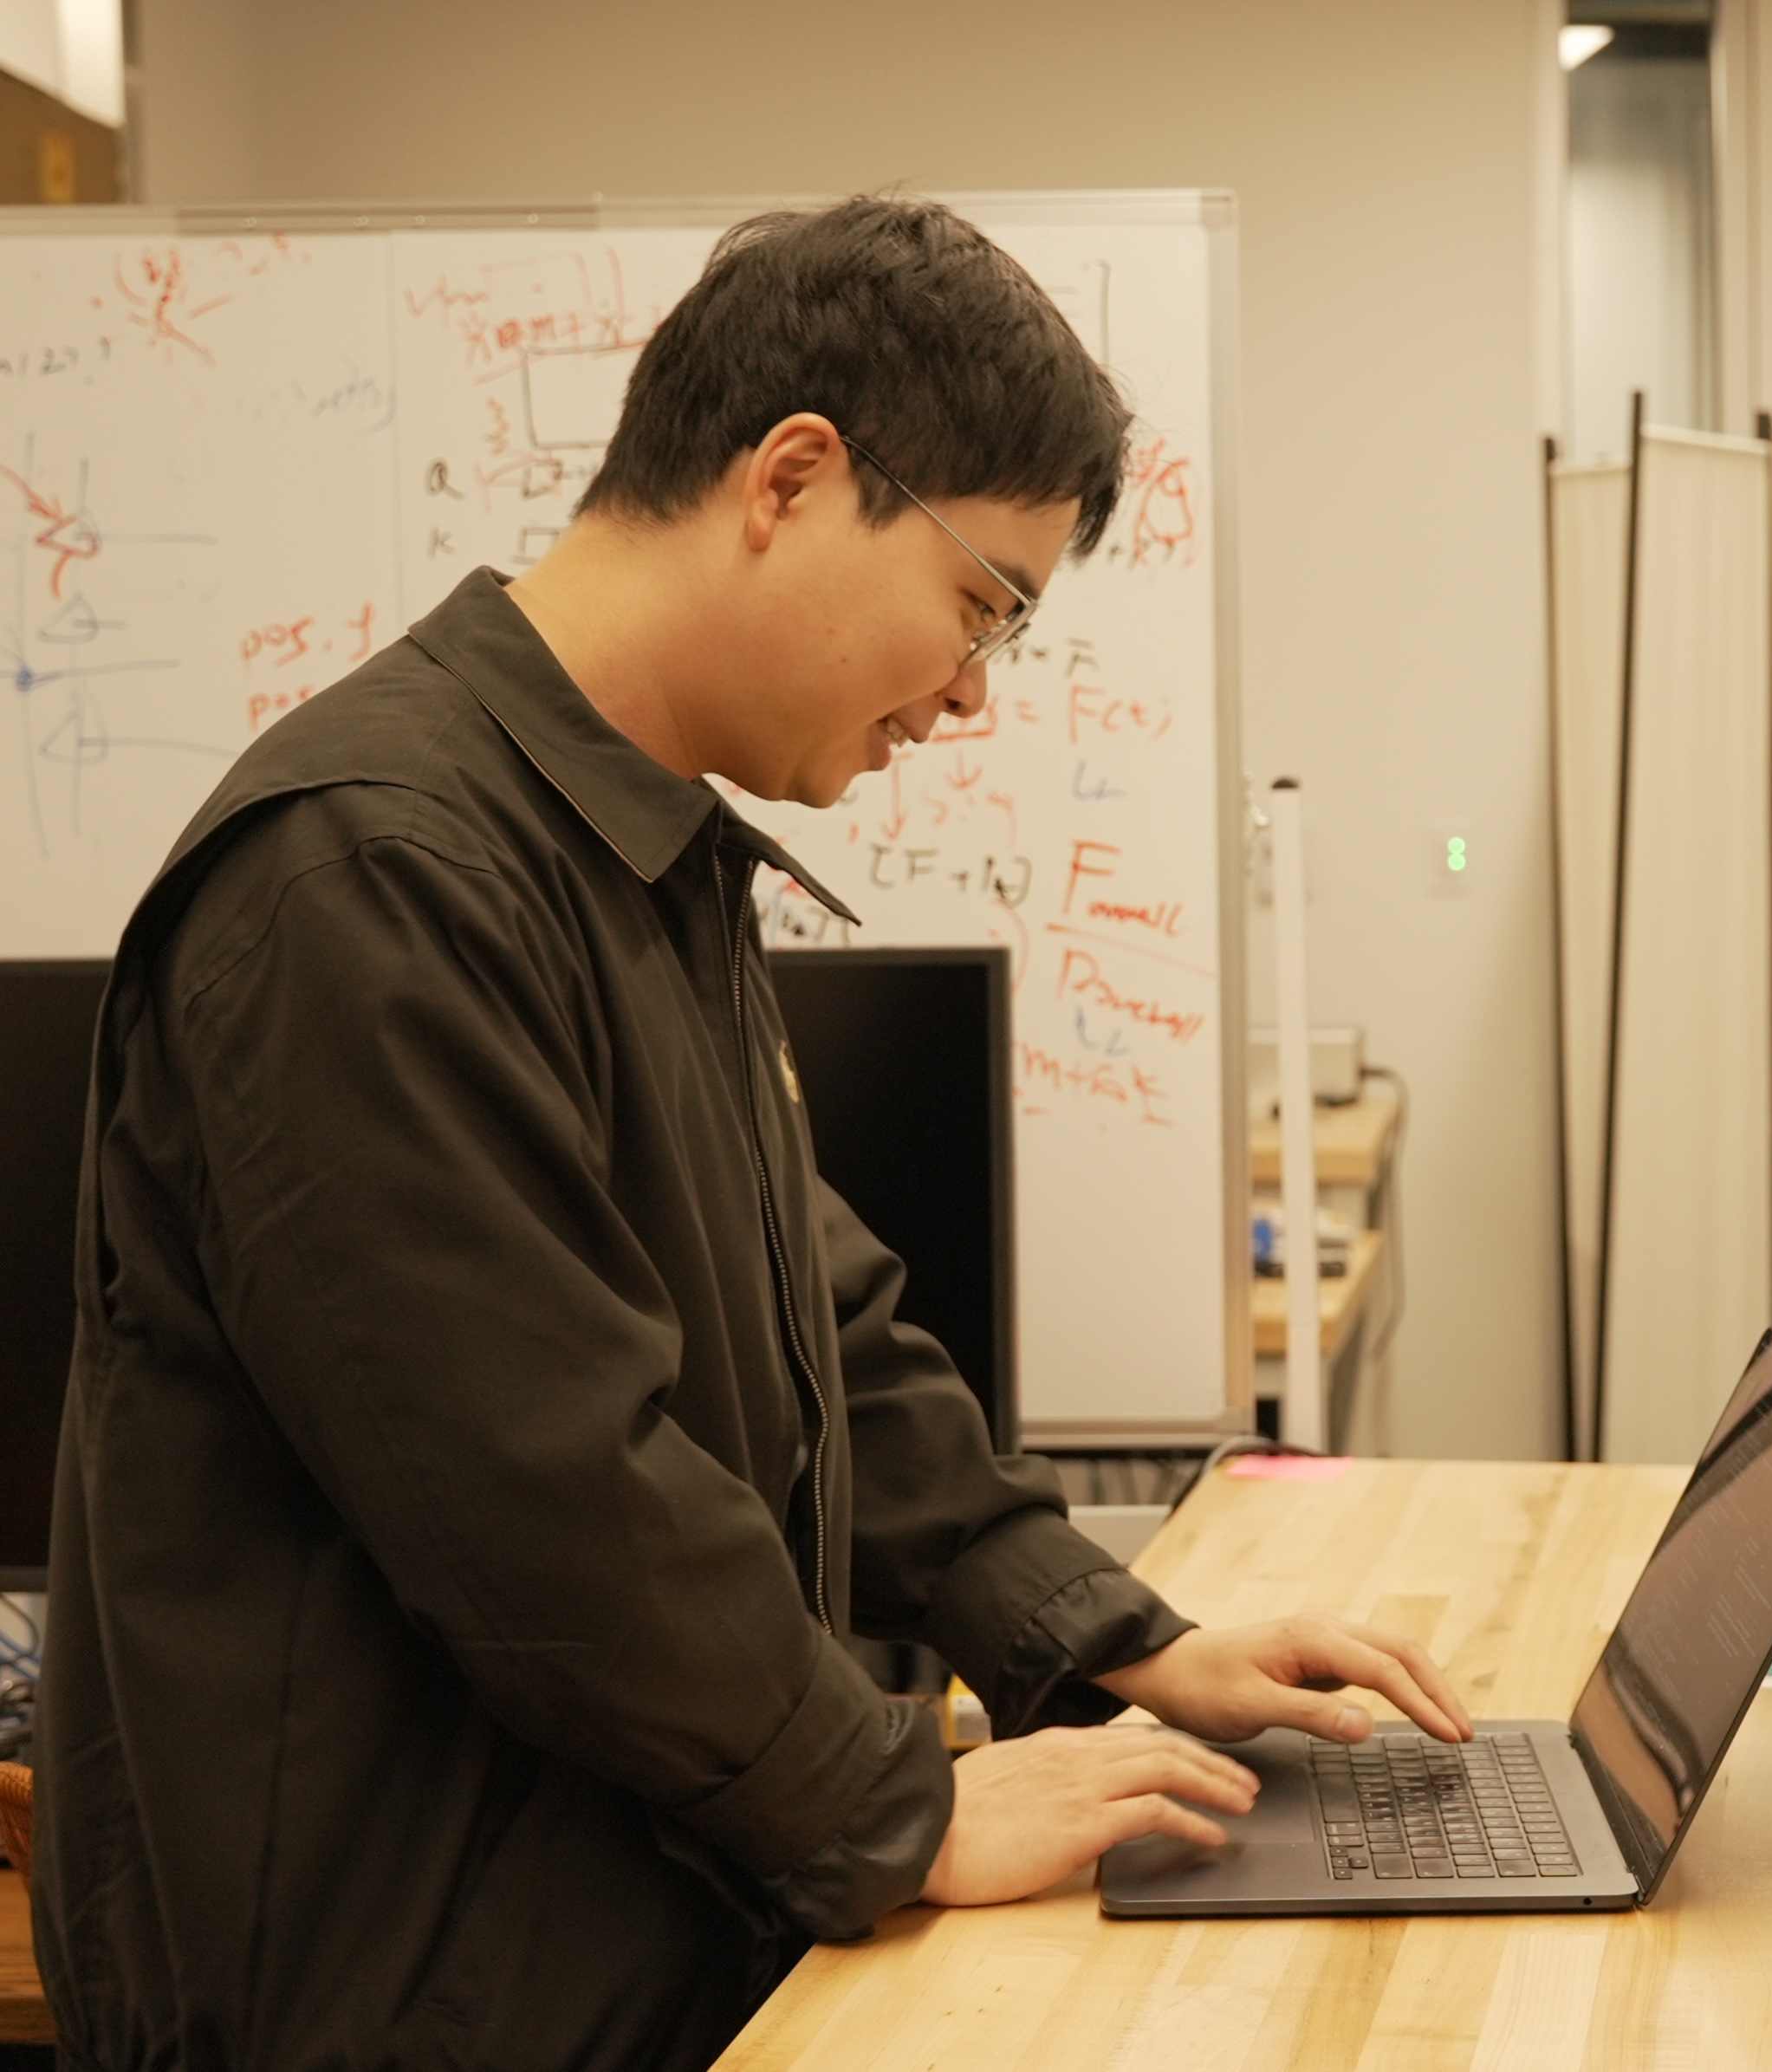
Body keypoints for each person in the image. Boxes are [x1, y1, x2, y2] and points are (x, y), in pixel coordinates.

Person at [34, 195, 1468, 2071]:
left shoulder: (621, 850)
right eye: (982, 604)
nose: (972, 692)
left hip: (592, 1930)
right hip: (397, 2002)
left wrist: (1115, 1635)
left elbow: (822, 1335)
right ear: (792, 477)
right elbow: (549, 1495)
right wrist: (902, 1803)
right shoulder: (372, 875)